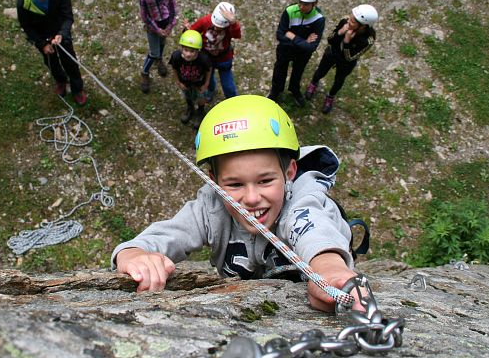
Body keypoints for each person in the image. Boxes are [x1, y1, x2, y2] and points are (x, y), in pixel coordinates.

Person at [112, 95, 360, 312]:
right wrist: (133, 255)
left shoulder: (302, 202)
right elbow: (167, 234)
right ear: (214, 182)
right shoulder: (211, 208)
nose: (251, 198)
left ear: (290, 172)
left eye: (265, 180)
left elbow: (311, 227)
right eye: (235, 185)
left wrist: (328, 268)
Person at [17, 0, 87, 105]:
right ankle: (61, 81)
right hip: (42, 36)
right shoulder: (24, 0)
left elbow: (68, 16)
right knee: (51, 62)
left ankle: (77, 89)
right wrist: (42, 44)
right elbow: (26, 26)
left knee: (70, 62)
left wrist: (62, 33)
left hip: (60, 32)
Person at [305, 4, 378, 114]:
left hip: (346, 63)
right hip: (332, 53)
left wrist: (347, 42)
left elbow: (350, 57)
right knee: (321, 71)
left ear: (363, 26)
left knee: (339, 80)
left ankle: (330, 96)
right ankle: (314, 83)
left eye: (353, 22)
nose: (349, 21)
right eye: (350, 18)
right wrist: (340, 33)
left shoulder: (368, 39)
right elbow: (330, 39)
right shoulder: (345, 21)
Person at [268, 0, 325, 107]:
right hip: (285, 50)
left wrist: (291, 36)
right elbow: (280, 35)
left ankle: (294, 90)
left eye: (305, 4)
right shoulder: (289, 11)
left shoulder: (319, 19)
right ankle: (276, 91)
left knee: (298, 72)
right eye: (300, 2)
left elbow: (311, 47)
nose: (301, 6)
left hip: (302, 54)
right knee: (279, 71)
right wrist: (303, 41)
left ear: (315, 3)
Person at [183, 2, 241, 101]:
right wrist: (187, 31)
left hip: (224, 58)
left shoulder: (230, 27)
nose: (217, 28)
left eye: (220, 27)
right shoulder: (205, 21)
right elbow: (193, 32)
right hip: (207, 58)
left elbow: (236, 35)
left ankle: (232, 100)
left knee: (228, 85)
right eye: (215, 25)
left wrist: (233, 22)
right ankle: (211, 91)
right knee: (208, 79)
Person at [138, 0, 178, 94]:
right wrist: (156, 29)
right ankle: (145, 72)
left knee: (162, 44)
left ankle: (159, 60)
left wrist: (169, 26)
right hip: (153, 26)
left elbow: (173, 8)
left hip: (165, 22)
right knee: (153, 52)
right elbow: (145, 16)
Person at [168, 30, 212, 128]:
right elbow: (174, 68)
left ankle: (200, 111)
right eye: (186, 50)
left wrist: (206, 83)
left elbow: (208, 70)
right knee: (187, 95)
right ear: (182, 48)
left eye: (192, 51)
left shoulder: (203, 59)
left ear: (198, 51)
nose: (188, 54)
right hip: (185, 82)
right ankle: (190, 108)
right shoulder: (176, 57)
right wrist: (178, 82)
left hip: (199, 83)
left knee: (201, 97)